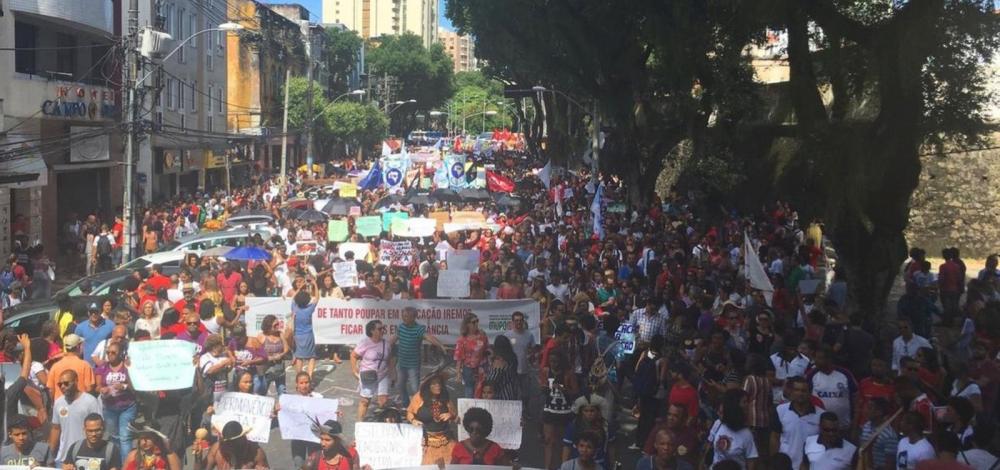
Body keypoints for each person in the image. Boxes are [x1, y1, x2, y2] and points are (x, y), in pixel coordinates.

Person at [392, 307, 447, 407]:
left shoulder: (419, 329)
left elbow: (429, 337)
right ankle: (405, 404)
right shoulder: (400, 327)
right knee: (399, 385)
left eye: (406, 316)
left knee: (415, 388)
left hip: (413, 365)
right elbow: (393, 339)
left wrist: (441, 345)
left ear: (413, 317)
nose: (404, 318)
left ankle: (417, 406)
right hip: (401, 363)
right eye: (403, 316)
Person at [48, 370, 103, 467]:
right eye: (60, 384)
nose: (62, 387)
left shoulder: (90, 401)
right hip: (63, 458)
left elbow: (99, 428)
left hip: (85, 457)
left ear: (76, 381)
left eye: (66, 383)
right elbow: (56, 429)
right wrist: (50, 454)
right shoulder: (58, 403)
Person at [96, 341, 137, 458]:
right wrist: (102, 389)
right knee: (113, 437)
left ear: (121, 353)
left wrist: (123, 386)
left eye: (113, 352)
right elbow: (97, 386)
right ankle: (115, 462)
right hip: (109, 408)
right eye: (108, 352)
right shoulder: (103, 367)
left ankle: (126, 465)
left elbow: (135, 386)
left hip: (127, 407)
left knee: (125, 437)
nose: (110, 354)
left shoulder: (127, 366)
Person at [406, 372, 456, 465]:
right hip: (427, 442)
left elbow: (456, 416)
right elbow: (409, 412)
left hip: (447, 440)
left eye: (439, 383)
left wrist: (450, 415)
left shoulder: (445, 396)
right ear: (428, 386)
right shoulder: (419, 397)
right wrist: (413, 420)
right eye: (434, 384)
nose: (438, 386)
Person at [771, 377, 821, 470]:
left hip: (810, 466)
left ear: (810, 393)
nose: (800, 394)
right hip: (785, 466)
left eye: (804, 391)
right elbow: (775, 437)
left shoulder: (820, 414)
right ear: (791, 392)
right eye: (796, 390)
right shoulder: (780, 410)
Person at [706, 389, 758, 470]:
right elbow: (709, 444)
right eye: (744, 402)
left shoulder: (746, 434)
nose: (747, 405)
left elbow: (751, 461)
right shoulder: (718, 423)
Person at [352, 320, 391, 421]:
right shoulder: (365, 343)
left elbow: (390, 358)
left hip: (382, 375)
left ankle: (382, 421)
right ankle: (359, 423)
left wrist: (393, 372)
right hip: (368, 375)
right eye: (380, 329)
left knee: (383, 401)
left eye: (383, 328)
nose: (383, 330)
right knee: (365, 401)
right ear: (372, 331)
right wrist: (354, 369)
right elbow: (353, 355)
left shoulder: (386, 344)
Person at [563, 395, 614, 468]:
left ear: (598, 412)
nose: (589, 414)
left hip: (599, 463)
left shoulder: (605, 426)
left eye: (592, 411)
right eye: (586, 411)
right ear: (581, 412)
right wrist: (565, 464)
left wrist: (612, 463)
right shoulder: (574, 426)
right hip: (578, 464)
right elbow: (567, 447)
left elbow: (611, 446)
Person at [301, 419, 366, 470]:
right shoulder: (314, 457)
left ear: (338, 440)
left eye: (327, 440)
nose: (323, 443)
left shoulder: (351, 455)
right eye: (321, 439)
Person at [204, 421, 268, 470]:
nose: (231, 445)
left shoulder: (255, 452)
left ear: (243, 438)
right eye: (228, 442)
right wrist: (197, 457)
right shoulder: (217, 449)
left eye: (235, 441)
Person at [454, 313, 489, 398]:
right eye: (473, 322)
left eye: (477, 321)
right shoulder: (462, 339)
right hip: (469, 369)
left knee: (481, 390)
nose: (476, 324)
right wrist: (458, 373)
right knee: (469, 390)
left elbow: (487, 349)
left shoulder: (482, 335)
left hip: (482, 367)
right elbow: (459, 357)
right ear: (467, 324)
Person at [290, 284, 319, 378]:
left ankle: (299, 376)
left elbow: (293, 297)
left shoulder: (294, 308)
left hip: (297, 335)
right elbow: (317, 298)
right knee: (311, 357)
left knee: (299, 356)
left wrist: (299, 288)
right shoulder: (309, 309)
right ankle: (309, 376)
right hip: (308, 335)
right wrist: (314, 284)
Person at [75, 301, 115, 366]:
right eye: (91, 312)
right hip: (87, 366)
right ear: (88, 313)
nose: (93, 314)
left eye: (96, 312)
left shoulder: (110, 325)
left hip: (105, 367)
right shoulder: (80, 327)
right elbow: (76, 348)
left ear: (100, 312)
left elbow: (115, 343)